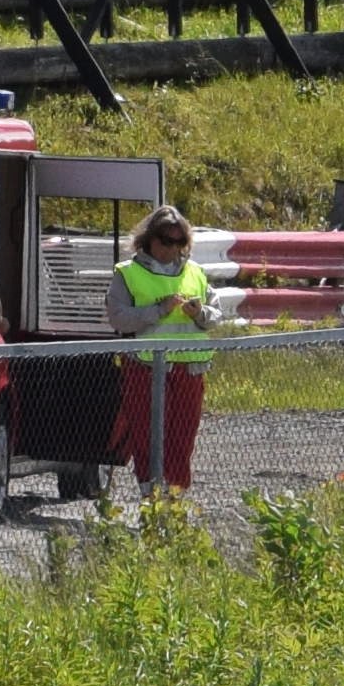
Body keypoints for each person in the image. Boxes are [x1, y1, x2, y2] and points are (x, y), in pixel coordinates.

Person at [111, 200, 218, 497]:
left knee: (182, 442)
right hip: (144, 370)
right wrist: (158, 310)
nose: (172, 248)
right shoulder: (127, 273)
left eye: (179, 242)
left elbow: (216, 314)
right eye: (166, 241)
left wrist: (200, 313)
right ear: (149, 239)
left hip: (189, 371)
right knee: (147, 439)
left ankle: (175, 504)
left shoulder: (195, 272)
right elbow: (118, 318)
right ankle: (152, 501)